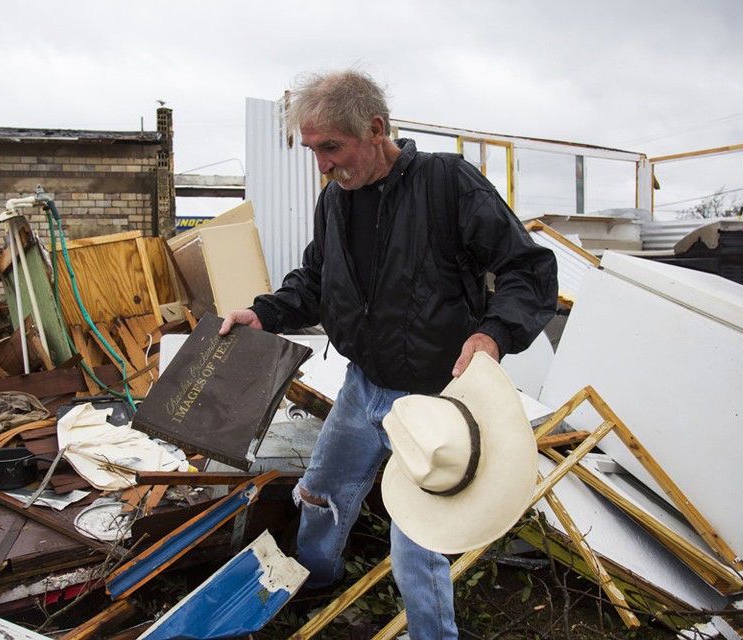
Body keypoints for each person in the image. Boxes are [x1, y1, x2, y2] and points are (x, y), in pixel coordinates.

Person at [220, 69, 557, 638]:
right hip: (363, 387)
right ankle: (314, 583)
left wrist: (494, 334)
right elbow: (314, 281)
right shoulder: (336, 201)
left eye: (331, 147)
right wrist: (265, 313)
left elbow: (528, 268)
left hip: (434, 399)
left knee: (417, 542)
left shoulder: (447, 184)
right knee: (320, 495)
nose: (321, 165)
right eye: (312, 150)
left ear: (375, 129)